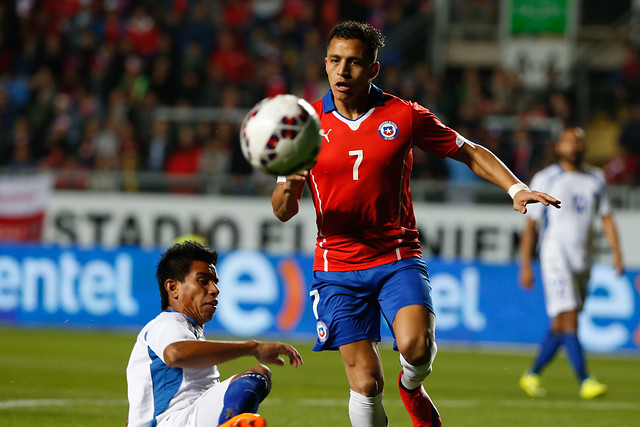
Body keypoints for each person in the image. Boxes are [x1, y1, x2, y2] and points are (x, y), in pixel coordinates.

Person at [271, 21, 560, 427]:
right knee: (367, 384)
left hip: (396, 255)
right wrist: (290, 182)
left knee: (416, 347)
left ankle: (411, 387)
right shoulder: (305, 126)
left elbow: (468, 151)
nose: (342, 72)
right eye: (335, 61)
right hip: (336, 266)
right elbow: (283, 210)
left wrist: (515, 188)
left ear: (372, 69)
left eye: (354, 63)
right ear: (325, 63)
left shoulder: (403, 115)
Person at [126, 241, 303, 427]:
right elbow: (175, 353)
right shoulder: (167, 322)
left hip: (184, 419)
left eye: (214, 282)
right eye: (203, 281)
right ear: (172, 288)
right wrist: (253, 347)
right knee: (258, 374)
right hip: (176, 421)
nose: (215, 289)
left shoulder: (187, 330)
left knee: (252, 379)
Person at [518, 127, 624, 399]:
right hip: (555, 255)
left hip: (583, 259)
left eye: (579, 141)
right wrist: (526, 265)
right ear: (559, 147)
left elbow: (606, 217)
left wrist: (617, 253)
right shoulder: (546, 177)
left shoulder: (595, 178)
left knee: (562, 322)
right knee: (570, 318)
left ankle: (532, 374)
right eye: (569, 142)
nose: (574, 146)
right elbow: (531, 226)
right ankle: (585, 379)